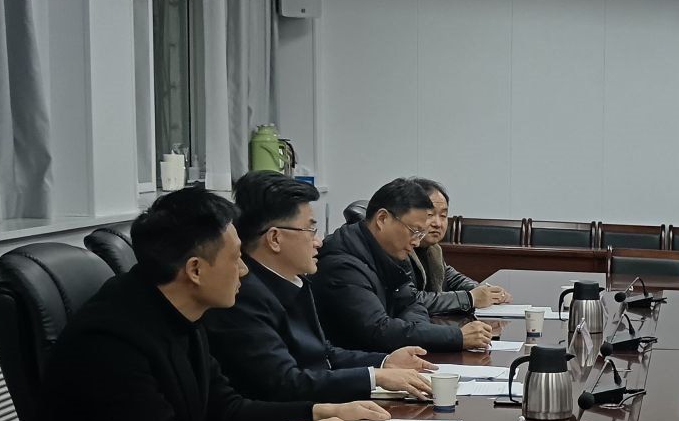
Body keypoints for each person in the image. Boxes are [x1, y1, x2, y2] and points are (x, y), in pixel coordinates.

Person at [11, 188, 376, 421]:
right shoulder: (109, 339)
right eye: (236, 258)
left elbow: (225, 409)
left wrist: (318, 412)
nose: (245, 270)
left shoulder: (179, 310)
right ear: (195, 270)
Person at [206, 173, 437, 403]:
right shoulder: (243, 297)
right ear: (275, 238)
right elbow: (285, 383)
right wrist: (374, 377)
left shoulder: (295, 281)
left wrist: (385, 363)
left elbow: (324, 353)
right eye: (310, 231)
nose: (318, 242)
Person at [317, 177, 496, 354]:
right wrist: (456, 336)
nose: (416, 242)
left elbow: (410, 304)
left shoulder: (390, 250)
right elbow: (378, 330)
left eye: (420, 234)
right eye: (414, 231)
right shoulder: (342, 264)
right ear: (382, 219)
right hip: (355, 365)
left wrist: (422, 335)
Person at [408, 178, 510, 313]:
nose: (438, 223)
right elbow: (410, 300)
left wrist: (484, 291)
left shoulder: (434, 249)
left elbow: (450, 278)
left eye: (443, 215)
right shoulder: (399, 250)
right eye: (430, 214)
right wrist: (470, 298)